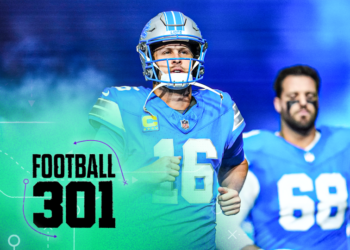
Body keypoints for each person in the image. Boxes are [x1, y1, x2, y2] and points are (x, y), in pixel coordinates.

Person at [88, 11, 248, 249]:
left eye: (184, 51)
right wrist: (142, 177)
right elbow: (90, 186)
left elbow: (237, 162)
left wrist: (231, 191)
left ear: (197, 56)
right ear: (148, 56)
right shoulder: (123, 105)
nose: (177, 59)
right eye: (166, 52)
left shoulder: (220, 106)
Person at [216, 65, 350, 250]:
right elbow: (222, 228)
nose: (303, 102)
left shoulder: (344, 143)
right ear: (278, 103)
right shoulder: (255, 150)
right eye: (293, 97)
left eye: (309, 96)